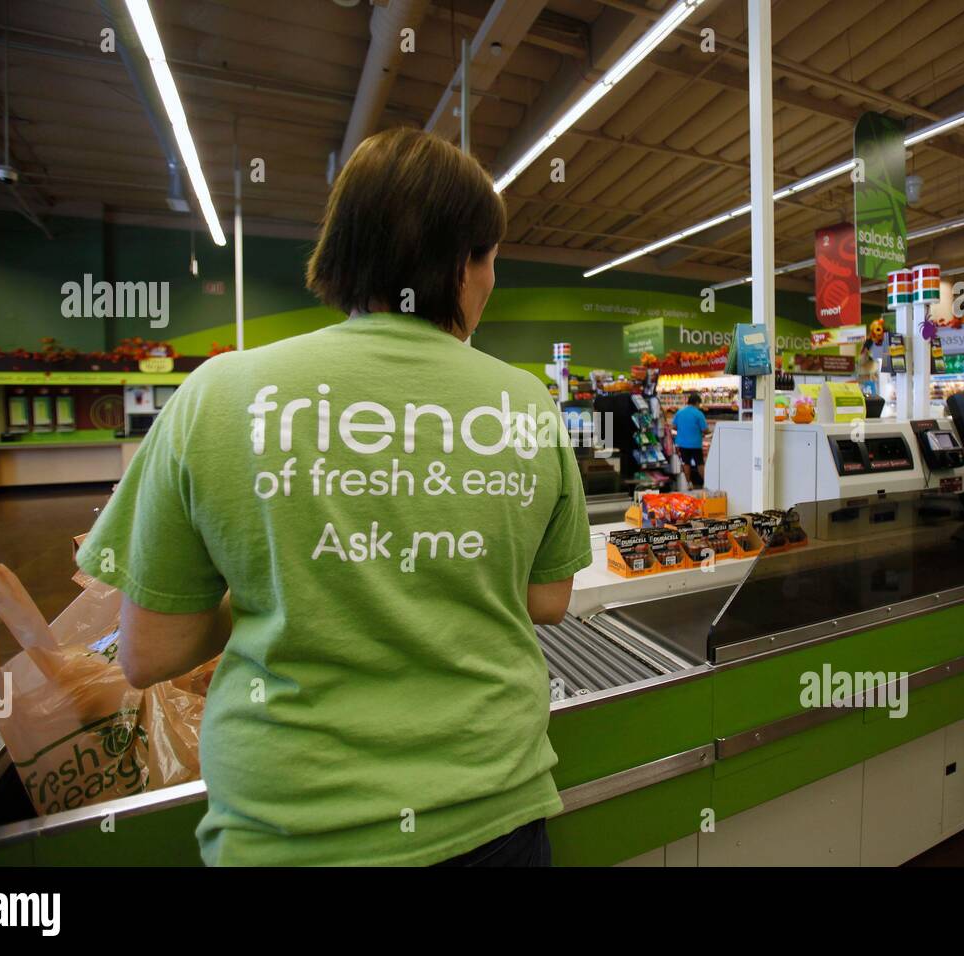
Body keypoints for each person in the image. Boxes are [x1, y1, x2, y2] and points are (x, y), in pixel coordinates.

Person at [76, 128, 593, 866]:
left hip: (289, 824)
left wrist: (285, 587)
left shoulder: (219, 395)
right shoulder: (525, 403)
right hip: (492, 808)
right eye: (490, 261)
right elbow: (547, 601)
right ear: (463, 265)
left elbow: (150, 652)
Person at [673, 392, 709, 488]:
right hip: (696, 443)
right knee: (700, 463)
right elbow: (705, 430)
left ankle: (688, 483)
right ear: (697, 402)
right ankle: (707, 482)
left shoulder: (679, 412)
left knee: (686, 463)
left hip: (682, 443)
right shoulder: (698, 414)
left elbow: (674, 427)